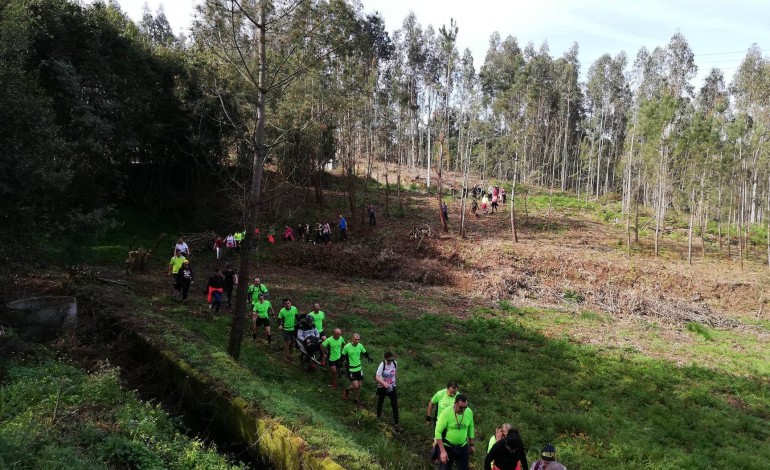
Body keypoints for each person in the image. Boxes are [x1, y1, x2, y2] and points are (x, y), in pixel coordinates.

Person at [434, 394, 475, 470]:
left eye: (465, 407)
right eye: (461, 407)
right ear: (455, 403)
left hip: (463, 446)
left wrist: (472, 444)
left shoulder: (469, 412)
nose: (463, 409)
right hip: (447, 447)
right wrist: (443, 451)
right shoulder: (446, 413)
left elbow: (471, 427)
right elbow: (438, 432)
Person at [341, 333, 372, 404]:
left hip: (359, 368)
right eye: (356, 339)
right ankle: (347, 390)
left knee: (359, 386)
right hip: (351, 369)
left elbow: (365, 353)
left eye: (358, 339)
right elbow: (342, 357)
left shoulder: (360, 346)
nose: (357, 341)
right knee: (356, 385)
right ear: (352, 339)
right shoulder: (347, 347)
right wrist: (340, 367)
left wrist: (369, 357)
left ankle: (356, 399)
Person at [375, 351, 399, 428]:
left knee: (394, 404)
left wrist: (393, 382)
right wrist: (384, 383)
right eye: (388, 360)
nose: (390, 362)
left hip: (392, 386)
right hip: (382, 386)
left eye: (391, 360)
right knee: (380, 402)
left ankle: (396, 423)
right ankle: (377, 417)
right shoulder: (382, 364)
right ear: (385, 359)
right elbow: (377, 377)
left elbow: (395, 372)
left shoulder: (395, 363)